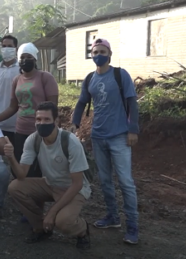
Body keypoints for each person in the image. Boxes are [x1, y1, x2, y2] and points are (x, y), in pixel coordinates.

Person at [70, 38, 140, 245]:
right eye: (95, 52)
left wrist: (133, 130)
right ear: (91, 55)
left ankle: (133, 226)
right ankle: (113, 217)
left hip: (119, 136)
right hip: (98, 136)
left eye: (102, 51)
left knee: (126, 182)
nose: (98, 54)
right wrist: (74, 123)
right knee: (105, 181)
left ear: (109, 54)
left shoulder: (120, 75)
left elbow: (132, 103)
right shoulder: (90, 78)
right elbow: (82, 101)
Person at [6, 102, 91, 249]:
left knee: (63, 222)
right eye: (38, 120)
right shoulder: (33, 140)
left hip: (72, 188)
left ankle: (82, 230)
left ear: (56, 121)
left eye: (46, 119)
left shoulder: (70, 141)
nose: (41, 123)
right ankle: (42, 228)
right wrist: (11, 156)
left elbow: (77, 183)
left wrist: (52, 212)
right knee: (15, 187)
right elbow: (21, 175)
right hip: (50, 184)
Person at [0, 42, 59, 177]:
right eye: (22, 57)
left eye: (29, 57)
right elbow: (13, 107)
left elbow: (53, 107)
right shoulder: (17, 80)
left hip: (40, 130)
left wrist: (53, 130)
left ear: (35, 59)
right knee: (20, 165)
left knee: (39, 167)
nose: (25, 60)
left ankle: (38, 195)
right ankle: (21, 193)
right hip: (20, 130)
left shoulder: (45, 77)